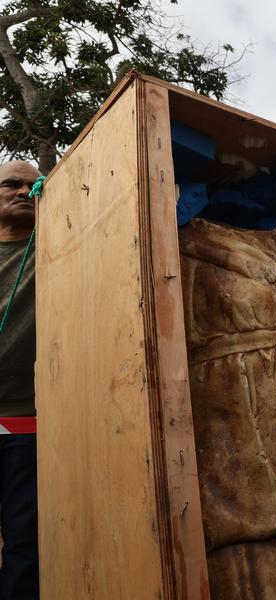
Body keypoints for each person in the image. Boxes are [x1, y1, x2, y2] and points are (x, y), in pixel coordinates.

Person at [0, 160, 40, 600]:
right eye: (12, 183)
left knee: (25, 545)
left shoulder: (57, 249)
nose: (24, 192)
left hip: (27, 424)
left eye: (33, 185)